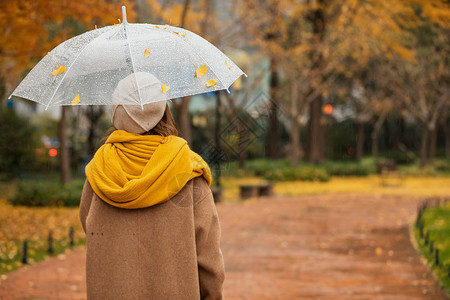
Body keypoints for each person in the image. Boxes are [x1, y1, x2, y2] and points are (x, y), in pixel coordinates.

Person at [79, 72, 224, 299]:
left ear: (116, 114)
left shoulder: (99, 171)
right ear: (164, 111)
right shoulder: (187, 169)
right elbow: (208, 259)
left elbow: (88, 226)